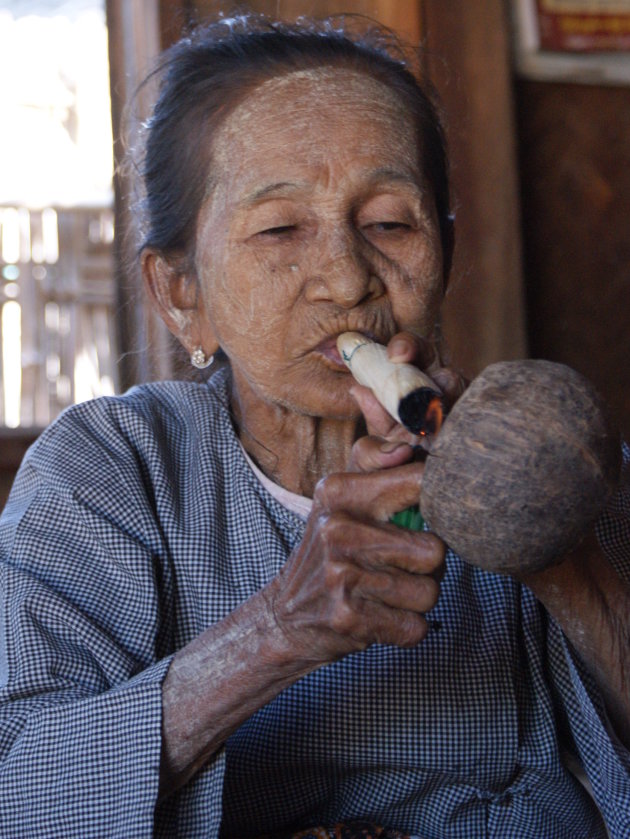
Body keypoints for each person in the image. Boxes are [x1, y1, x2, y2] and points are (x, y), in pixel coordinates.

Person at [1, 13, 629, 839]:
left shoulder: (532, 452)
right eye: (279, 229)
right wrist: (279, 629)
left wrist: (561, 555)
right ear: (181, 294)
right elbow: (19, 793)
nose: (344, 277)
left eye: (390, 224)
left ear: (445, 249)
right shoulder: (113, 470)